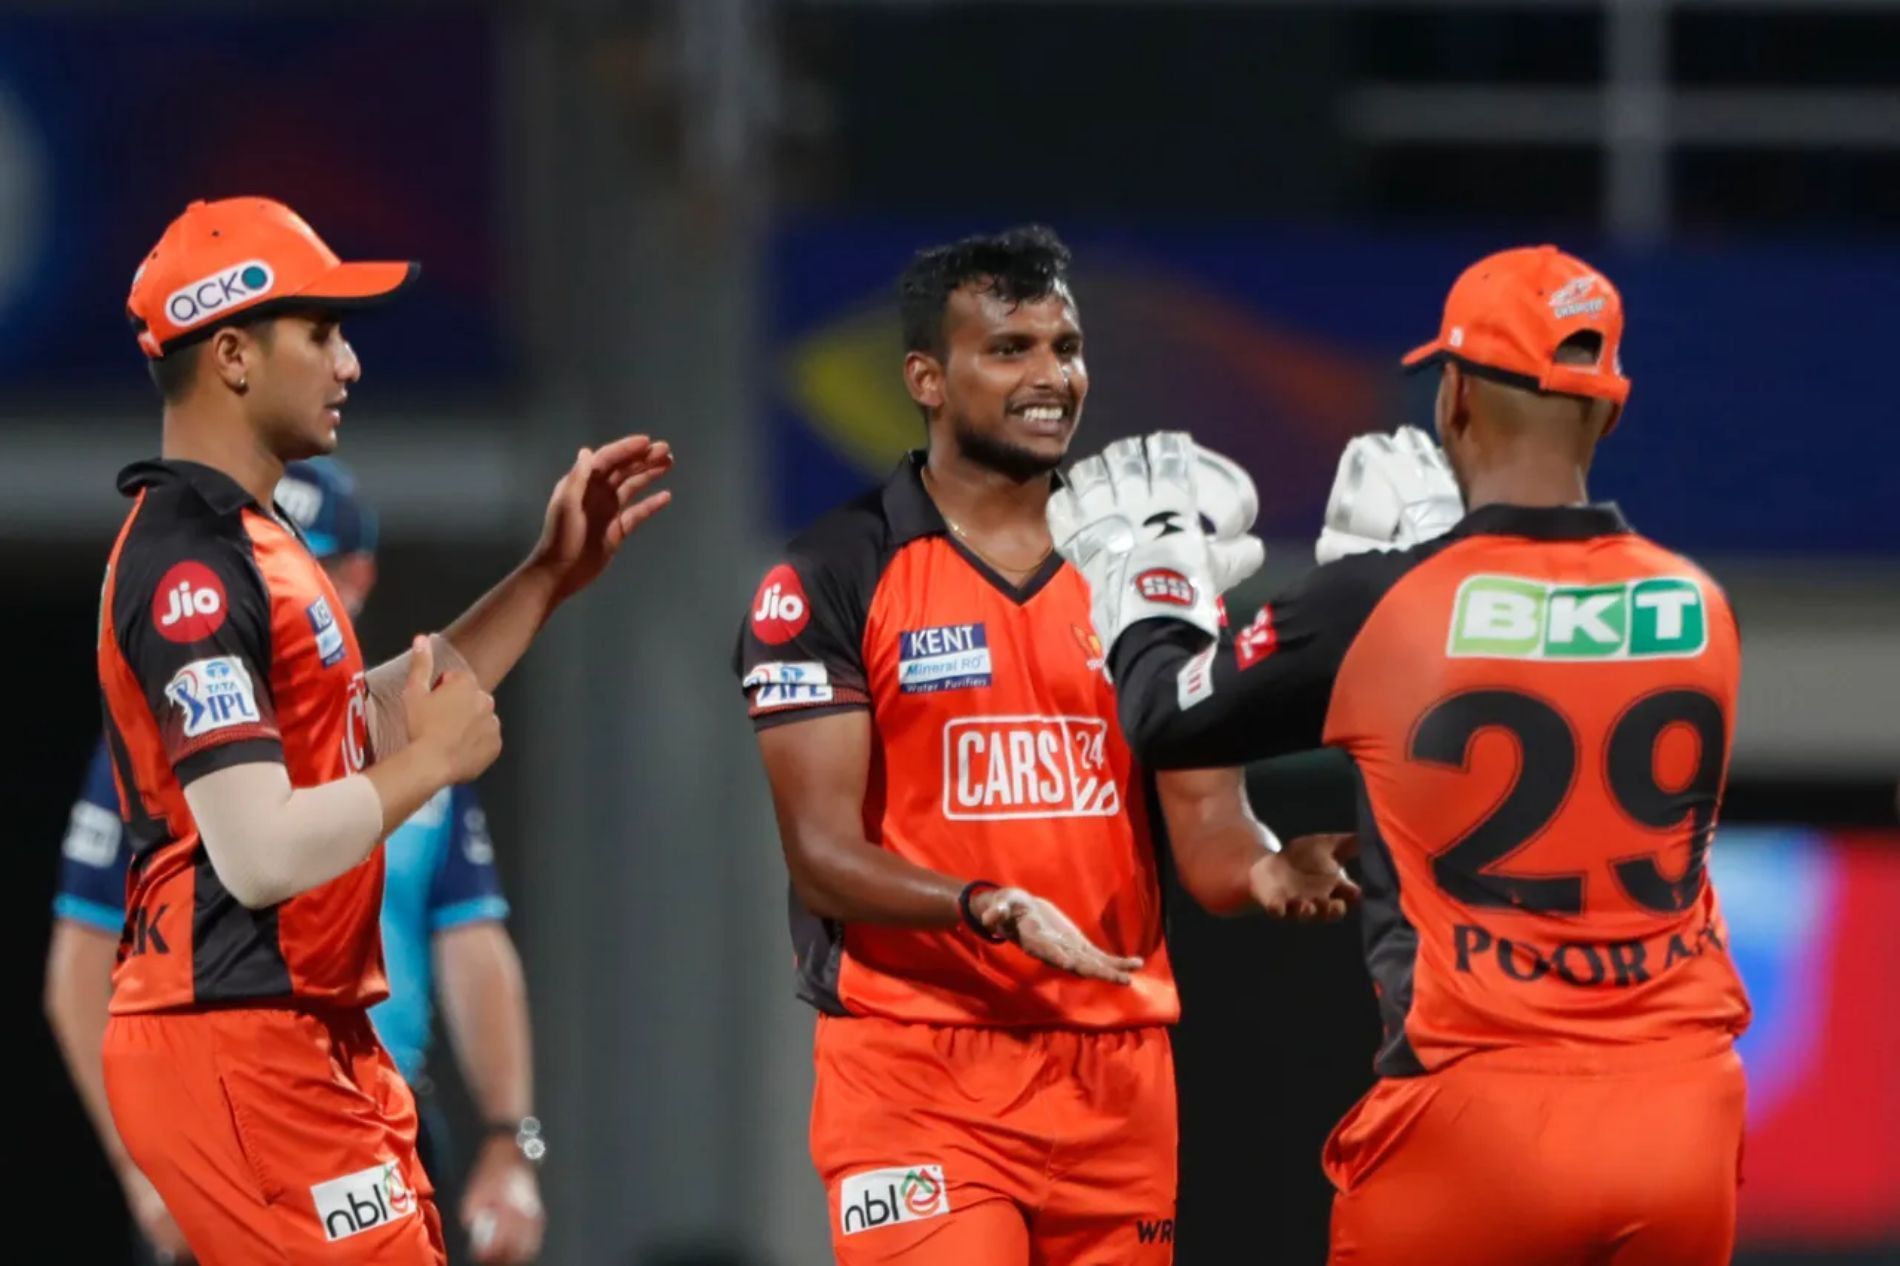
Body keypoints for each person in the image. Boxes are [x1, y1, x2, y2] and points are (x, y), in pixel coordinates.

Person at [1050, 244, 1752, 1266]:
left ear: (1455, 395)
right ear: (1610, 410)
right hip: (1682, 1114)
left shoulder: (1377, 607)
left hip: (1478, 1114)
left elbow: (1164, 716)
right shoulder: (1701, 608)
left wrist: (1148, 570)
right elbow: (1544, 647)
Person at [733, 225, 1356, 1266]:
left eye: (1063, 348)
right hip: (917, 1073)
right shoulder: (834, 573)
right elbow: (821, 857)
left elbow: (1204, 820)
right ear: (925, 378)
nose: (1050, 378)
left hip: (1116, 1081)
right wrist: (987, 905)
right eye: (1008, 349)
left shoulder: (1148, 563)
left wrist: (1263, 868)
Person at [97, 195, 671, 1264]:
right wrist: (432, 765)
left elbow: (359, 716)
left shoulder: (255, 541)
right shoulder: (189, 568)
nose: (349, 364)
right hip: (233, 1037)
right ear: (230, 354)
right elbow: (261, 854)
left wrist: (546, 578)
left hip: (302, 1033)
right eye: (321, 333)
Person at [47, 459, 546, 1265]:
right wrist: (137, 1171)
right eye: (272, 571)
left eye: (308, 567)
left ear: (356, 578)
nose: (279, 599)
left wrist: (509, 1136)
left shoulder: (403, 726)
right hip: (229, 1112)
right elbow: (81, 963)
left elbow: (475, 946)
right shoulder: (163, 738)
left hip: (379, 1101)